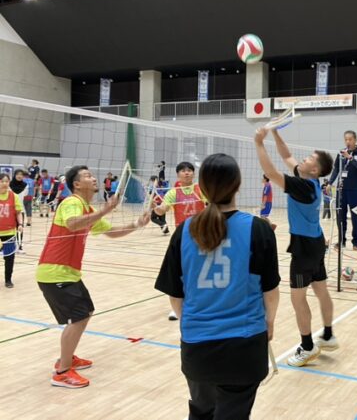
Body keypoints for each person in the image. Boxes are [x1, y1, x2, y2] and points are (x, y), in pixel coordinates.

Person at [155, 154, 280, 420]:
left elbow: (175, 295)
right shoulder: (258, 229)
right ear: (238, 185)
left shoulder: (184, 230)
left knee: (201, 411)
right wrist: (269, 322)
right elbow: (270, 292)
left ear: (201, 187)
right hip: (244, 345)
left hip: (197, 347)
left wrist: (191, 323)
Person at [36, 166, 149, 388]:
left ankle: (67, 357)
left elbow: (111, 232)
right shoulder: (71, 202)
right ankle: (62, 372)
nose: (94, 178)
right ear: (77, 184)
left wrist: (136, 224)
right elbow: (72, 223)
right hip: (54, 271)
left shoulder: (87, 209)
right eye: (87, 176)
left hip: (68, 272)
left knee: (85, 313)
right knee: (78, 318)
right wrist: (105, 209)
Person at [255, 126, 338, 367]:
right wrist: (275, 133)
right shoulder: (309, 181)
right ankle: (328, 335)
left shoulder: (303, 187)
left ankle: (308, 347)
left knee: (298, 298)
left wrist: (259, 143)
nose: (304, 158)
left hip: (304, 248)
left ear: (315, 170)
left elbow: (270, 172)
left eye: (310, 158)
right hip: (316, 242)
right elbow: (286, 155)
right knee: (321, 290)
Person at [155, 162, 207, 320]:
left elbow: (212, 203)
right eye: (183, 171)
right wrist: (156, 208)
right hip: (182, 236)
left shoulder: (201, 189)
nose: (187, 173)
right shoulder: (173, 193)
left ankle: (201, 303)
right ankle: (177, 306)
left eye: (190, 170)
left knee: (201, 270)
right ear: (178, 174)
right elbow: (162, 209)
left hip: (202, 235)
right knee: (181, 271)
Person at [328, 130, 357, 251]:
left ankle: (356, 242)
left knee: (355, 216)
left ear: (355, 140)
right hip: (341, 189)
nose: (348, 141)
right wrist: (330, 182)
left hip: (354, 190)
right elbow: (336, 169)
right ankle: (341, 241)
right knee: (341, 216)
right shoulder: (341, 153)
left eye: (350, 139)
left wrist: (350, 157)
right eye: (346, 139)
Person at [0, 173, 23, 288]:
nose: (4, 183)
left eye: (6, 181)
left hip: (9, 233)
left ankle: (8, 280)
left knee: (9, 258)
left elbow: (18, 213)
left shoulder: (14, 196)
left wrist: (20, 224)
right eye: (2, 181)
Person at [10, 169, 28, 254]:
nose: (19, 176)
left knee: (20, 228)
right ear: (15, 175)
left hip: (21, 210)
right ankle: (10, 246)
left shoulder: (26, 185)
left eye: (21, 174)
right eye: (18, 174)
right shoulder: (9, 185)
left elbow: (25, 195)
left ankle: (20, 246)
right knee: (10, 229)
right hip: (10, 210)